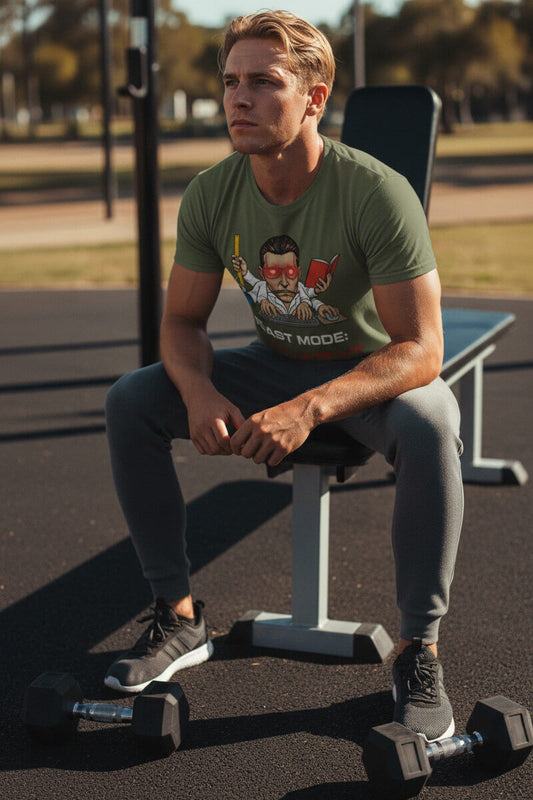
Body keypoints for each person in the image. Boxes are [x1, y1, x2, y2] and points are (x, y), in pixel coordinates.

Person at [104, 10, 464, 744]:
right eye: (230, 81)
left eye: (264, 82)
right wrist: (201, 392)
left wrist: (310, 407)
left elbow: (421, 349)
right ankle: (177, 616)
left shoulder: (374, 192)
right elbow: (181, 323)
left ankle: (417, 648)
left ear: (313, 97)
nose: (238, 98)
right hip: (271, 363)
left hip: (366, 373)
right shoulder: (212, 192)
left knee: (431, 420)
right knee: (134, 399)